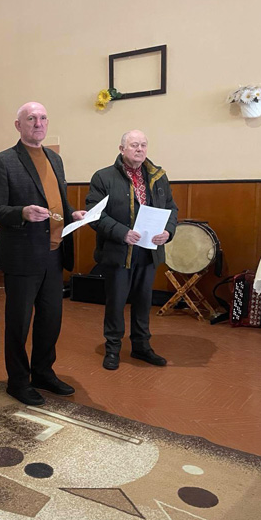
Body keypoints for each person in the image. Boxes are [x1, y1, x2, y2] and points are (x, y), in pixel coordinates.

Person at [0, 101, 86, 406]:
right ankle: (18, 381)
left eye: (42, 118)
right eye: (31, 118)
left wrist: (73, 213)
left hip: (54, 253)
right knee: (19, 323)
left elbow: (58, 202)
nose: (38, 123)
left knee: (50, 320)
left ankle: (43, 372)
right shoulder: (3, 161)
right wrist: (22, 213)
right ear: (19, 125)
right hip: (23, 256)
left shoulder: (55, 159)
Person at [86, 130, 178, 371]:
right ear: (122, 149)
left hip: (148, 251)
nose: (140, 149)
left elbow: (171, 208)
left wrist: (168, 231)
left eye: (143, 145)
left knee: (143, 301)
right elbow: (94, 214)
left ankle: (141, 346)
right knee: (116, 302)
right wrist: (122, 233)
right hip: (118, 251)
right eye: (134, 145)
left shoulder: (158, 176)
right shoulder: (103, 177)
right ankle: (113, 348)